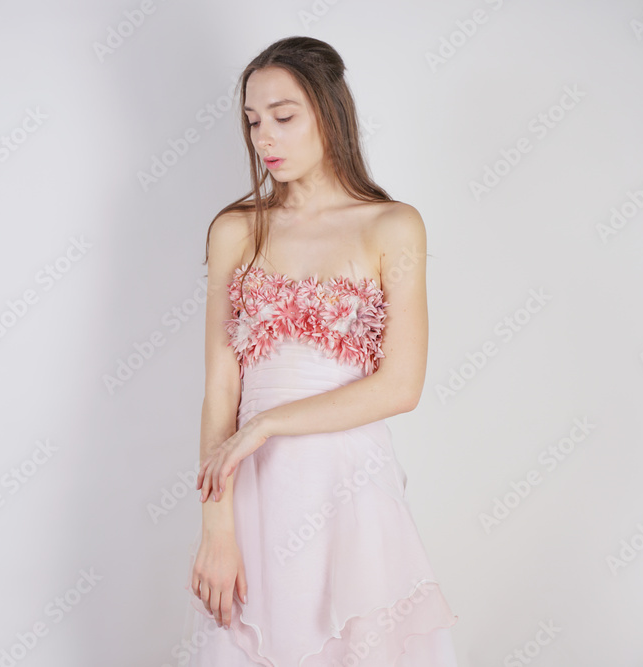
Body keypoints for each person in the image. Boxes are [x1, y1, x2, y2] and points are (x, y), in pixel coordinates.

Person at [180, 36, 460, 666]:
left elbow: (401, 386)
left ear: (330, 114)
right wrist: (216, 528)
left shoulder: (392, 225)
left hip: (350, 483)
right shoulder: (236, 230)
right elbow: (220, 390)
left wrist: (266, 425)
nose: (264, 138)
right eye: (254, 121)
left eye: (283, 117)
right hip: (252, 488)